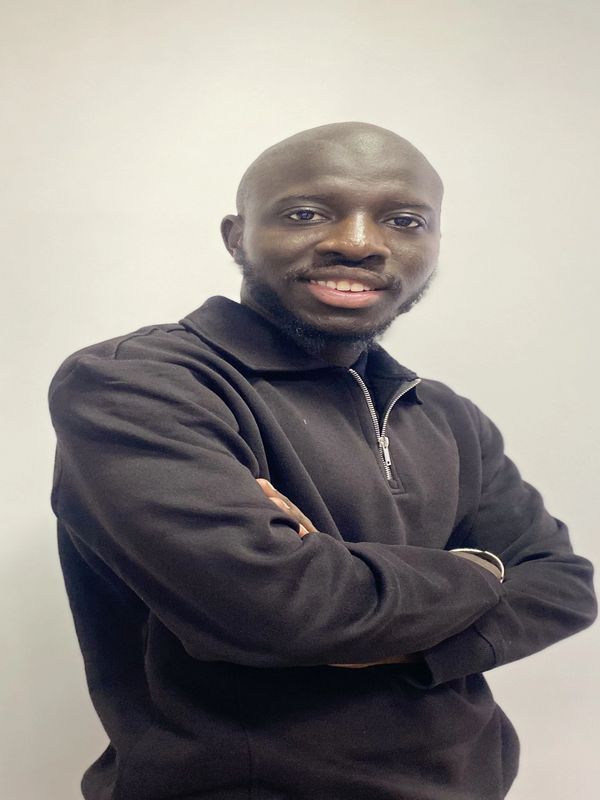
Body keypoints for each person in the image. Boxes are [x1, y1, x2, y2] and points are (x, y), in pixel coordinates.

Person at [49, 122, 596, 800]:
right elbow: (290, 610)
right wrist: (484, 569)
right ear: (236, 235)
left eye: (402, 219)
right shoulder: (137, 384)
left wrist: (377, 617)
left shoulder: (445, 414)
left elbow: (566, 587)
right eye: (306, 213)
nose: (358, 243)